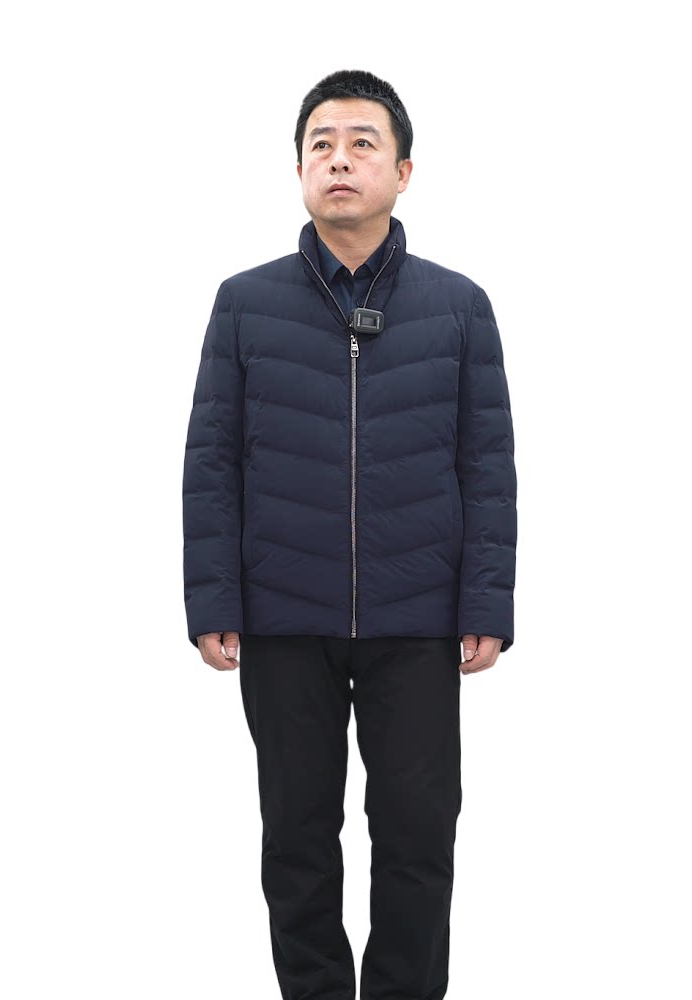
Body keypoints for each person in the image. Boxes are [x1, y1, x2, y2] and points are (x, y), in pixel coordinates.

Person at [182, 69, 517, 1000]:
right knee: (296, 838)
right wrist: (214, 600)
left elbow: (487, 464)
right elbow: (212, 461)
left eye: (362, 143)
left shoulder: (460, 306)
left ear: (403, 172)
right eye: (321, 144)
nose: (340, 160)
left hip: (419, 619)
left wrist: (486, 605)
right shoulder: (244, 303)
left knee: (418, 837)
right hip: (284, 616)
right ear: (298, 169)